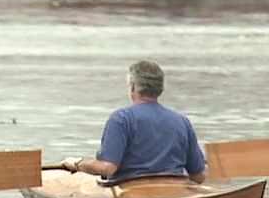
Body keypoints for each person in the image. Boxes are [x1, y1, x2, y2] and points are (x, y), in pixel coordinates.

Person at [58, 60, 208, 184]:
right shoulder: (181, 121)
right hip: (175, 190)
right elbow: (199, 176)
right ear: (160, 89)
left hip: (130, 189)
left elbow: (107, 167)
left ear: (133, 87)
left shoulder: (121, 119)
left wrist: (77, 163)